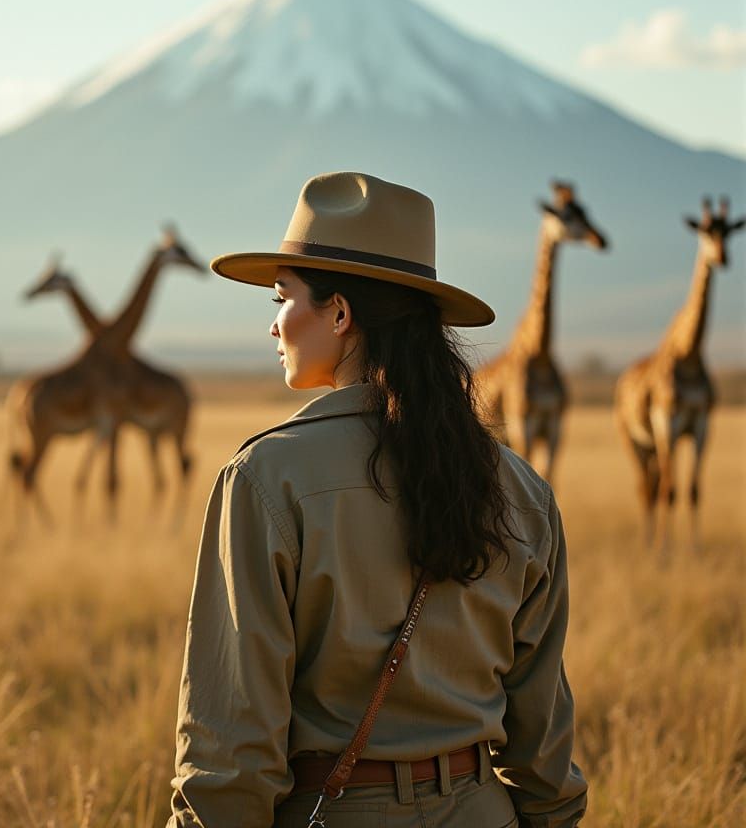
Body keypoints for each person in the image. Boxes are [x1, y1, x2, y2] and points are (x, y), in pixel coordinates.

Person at [166, 172, 588, 828]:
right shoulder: (522, 489)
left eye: (281, 300)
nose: (275, 328)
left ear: (339, 313)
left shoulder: (264, 478)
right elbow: (543, 740)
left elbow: (232, 748)